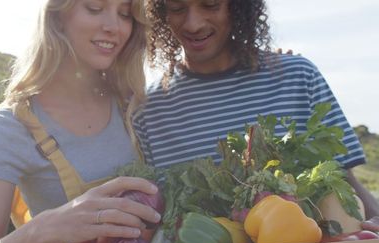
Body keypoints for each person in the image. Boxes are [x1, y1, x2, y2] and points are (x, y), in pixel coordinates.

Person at [133, 0, 379, 229]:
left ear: (237, 7)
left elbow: (345, 182)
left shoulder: (297, 78)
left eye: (211, 5)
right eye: (177, 8)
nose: (193, 23)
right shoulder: (148, 110)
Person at [0, 0, 162, 243]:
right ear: (57, 17)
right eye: (94, 8)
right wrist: (42, 228)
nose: (115, 27)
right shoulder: (13, 125)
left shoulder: (134, 107)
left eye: (124, 14)